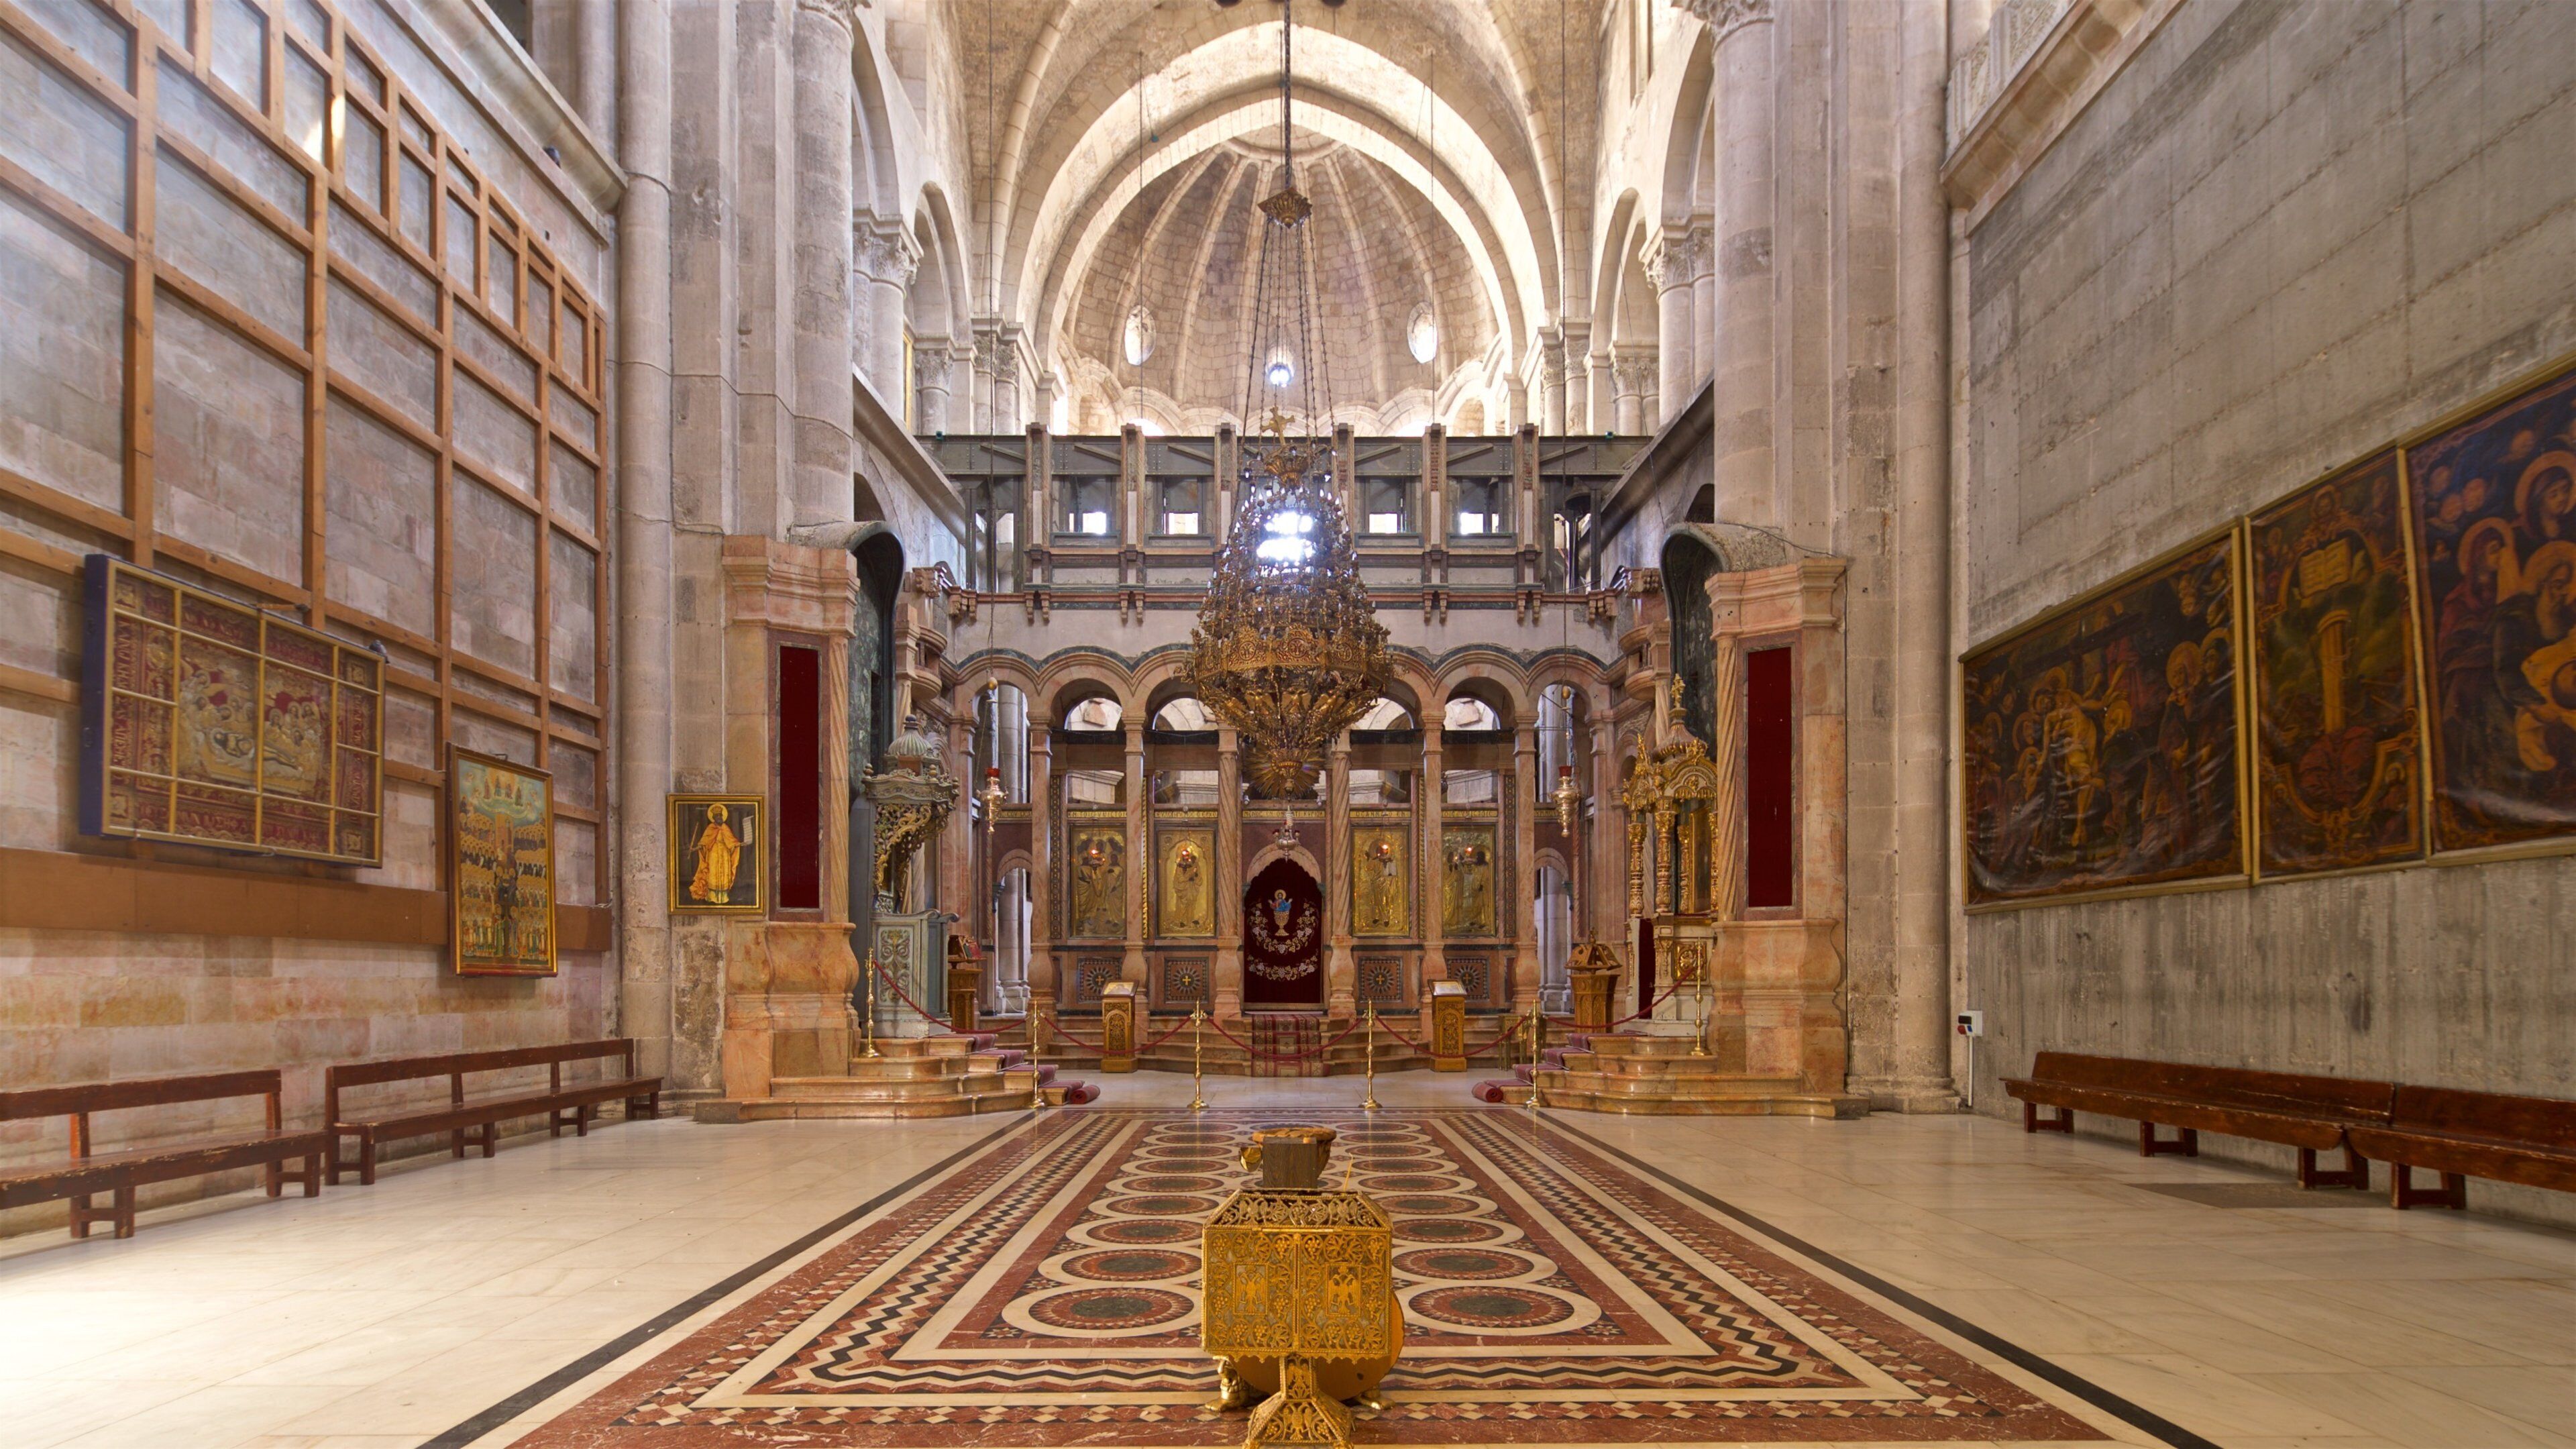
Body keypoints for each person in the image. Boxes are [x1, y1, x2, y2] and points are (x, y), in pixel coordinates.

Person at [688, 802, 744, 905]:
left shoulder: (725, 828)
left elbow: (731, 841)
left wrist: (737, 844)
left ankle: (723, 898)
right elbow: (704, 842)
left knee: (724, 874)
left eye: (721, 816)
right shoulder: (710, 828)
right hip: (713, 855)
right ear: (714, 817)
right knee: (713, 874)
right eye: (718, 816)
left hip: (725, 856)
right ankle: (712, 897)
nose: (720, 818)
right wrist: (697, 848)